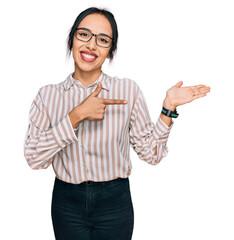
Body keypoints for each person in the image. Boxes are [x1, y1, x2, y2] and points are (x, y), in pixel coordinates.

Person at [23, 6, 211, 240]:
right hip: (66, 202)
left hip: (114, 202)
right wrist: (75, 116)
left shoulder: (127, 90)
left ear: (110, 51)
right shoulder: (47, 96)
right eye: (84, 35)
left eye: (102, 40)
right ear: (72, 39)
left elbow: (151, 155)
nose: (91, 45)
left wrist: (168, 109)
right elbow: (34, 159)